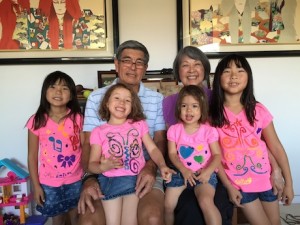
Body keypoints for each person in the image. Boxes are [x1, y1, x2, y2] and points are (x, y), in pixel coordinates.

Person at [162, 46, 284, 225]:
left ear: (206, 70)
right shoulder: (168, 102)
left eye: (197, 64)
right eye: (185, 65)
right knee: (186, 208)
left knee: (212, 203)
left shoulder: (217, 99)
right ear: (177, 71)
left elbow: (256, 141)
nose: (191, 70)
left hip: (217, 170)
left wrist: (277, 170)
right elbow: (172, 145)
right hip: (185, 170)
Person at [78, 40, 167, 225]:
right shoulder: (97, 98)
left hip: (143, 166)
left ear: (145, 68)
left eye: (139, 62)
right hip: (107, 172)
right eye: (127, 60)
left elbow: (159, 141)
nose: (133, 67)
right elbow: (88, 144)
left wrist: (153, 167)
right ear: (116, 64)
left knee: (147, 217)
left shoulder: (157, 100)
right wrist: (90, 176)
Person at [210, 54, 294, 225]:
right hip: (240, 184)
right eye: (227, 71)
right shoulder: (212, 115)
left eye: (240, 70)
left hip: (266, 180)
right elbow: (214, 156)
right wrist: (229, 186)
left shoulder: (258, 110)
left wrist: (289, 184)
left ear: (248, 77)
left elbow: (276, 147)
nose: (233, 76)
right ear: (218, 78)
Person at [88, 83, 174, 225]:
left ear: (132, 106)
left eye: (127, 100)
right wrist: (103, 167)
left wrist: (162, 165)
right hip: (111, 183)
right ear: (107, 102)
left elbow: (152, 149)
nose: (122, 102)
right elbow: (92, 164)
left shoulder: (138, 125)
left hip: (135, 181)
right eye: (117, 98)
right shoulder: (99, 132)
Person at [26, 71, 84, 225]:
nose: (58, 91)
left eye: (64, 88)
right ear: (45, 92)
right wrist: (36, 186)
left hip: (76, 180)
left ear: (71, 95)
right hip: (49, 183)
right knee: (57, 219)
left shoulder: (78, 118)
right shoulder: (36, 120)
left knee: (76, 216)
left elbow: (86, 147)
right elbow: (32, 156)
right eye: (53, 87)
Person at [165, 85, 222, 225]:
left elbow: (217, 155)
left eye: (195, 106)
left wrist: (208, 172)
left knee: (205, 202)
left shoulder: (208, 131)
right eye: (184, 105)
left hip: (203, 173)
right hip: (180, 173)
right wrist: (184, 170)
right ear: (179, 108)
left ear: (202, 109)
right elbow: (172, 153)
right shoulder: (174, 130)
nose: (189, 110)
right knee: (167, 205)